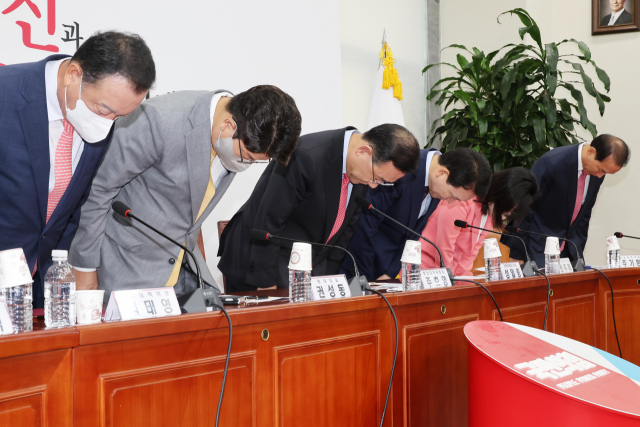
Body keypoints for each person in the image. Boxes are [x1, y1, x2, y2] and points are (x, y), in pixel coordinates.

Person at [69, 86, 302, 299]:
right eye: (247, 158)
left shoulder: (237, 137)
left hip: (184, 273)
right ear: (228, 125)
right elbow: (96, 191)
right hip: (127, 269)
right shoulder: (159, 120)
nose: (245, 165)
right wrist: (84, 268)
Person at [0, 31, 155, 308]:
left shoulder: (98, 118)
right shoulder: (6, 92)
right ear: (74, 75)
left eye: (120, 116)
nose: (108, 123)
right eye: (104, 110)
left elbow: (70, 209)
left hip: (36, 290)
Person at [218, 124, 420, 292]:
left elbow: (342, 235)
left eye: (383, 182)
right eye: (377, 178)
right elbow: (268, 221)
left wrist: (326, 283)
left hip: (300, 269)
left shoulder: (361, 171)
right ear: (363, 151)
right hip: (256, 264)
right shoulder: (307, 155)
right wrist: (266, 286)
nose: (374, 186)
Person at [342, 147, 492, 281]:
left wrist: (390, 273)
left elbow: (413, 234)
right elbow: (365, 224)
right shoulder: (402, 166)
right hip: (356, 266)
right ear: (442, 173)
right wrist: (364, 279)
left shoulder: (435, 186)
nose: (450, 201)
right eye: (453, 196)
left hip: (385, 272)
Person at [505, 135, 630, 268]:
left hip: (570, 250)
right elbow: (525, 208)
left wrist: (578, 253)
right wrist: (517, 253)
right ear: (591, 152)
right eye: (601, 170)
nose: (600, 176)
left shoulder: (596, 173)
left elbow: (584, 215)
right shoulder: (552, 162)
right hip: (539, 247)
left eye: (606, 173)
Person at [421, 167, 538, 277]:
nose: (503, 217)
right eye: (505, 210)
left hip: (451, 275)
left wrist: (464, 280)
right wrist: (452, 281)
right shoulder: (463, 197)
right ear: (501, 192)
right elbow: (444, 248)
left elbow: (469, 255)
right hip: (425, 269)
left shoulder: (490, 212)